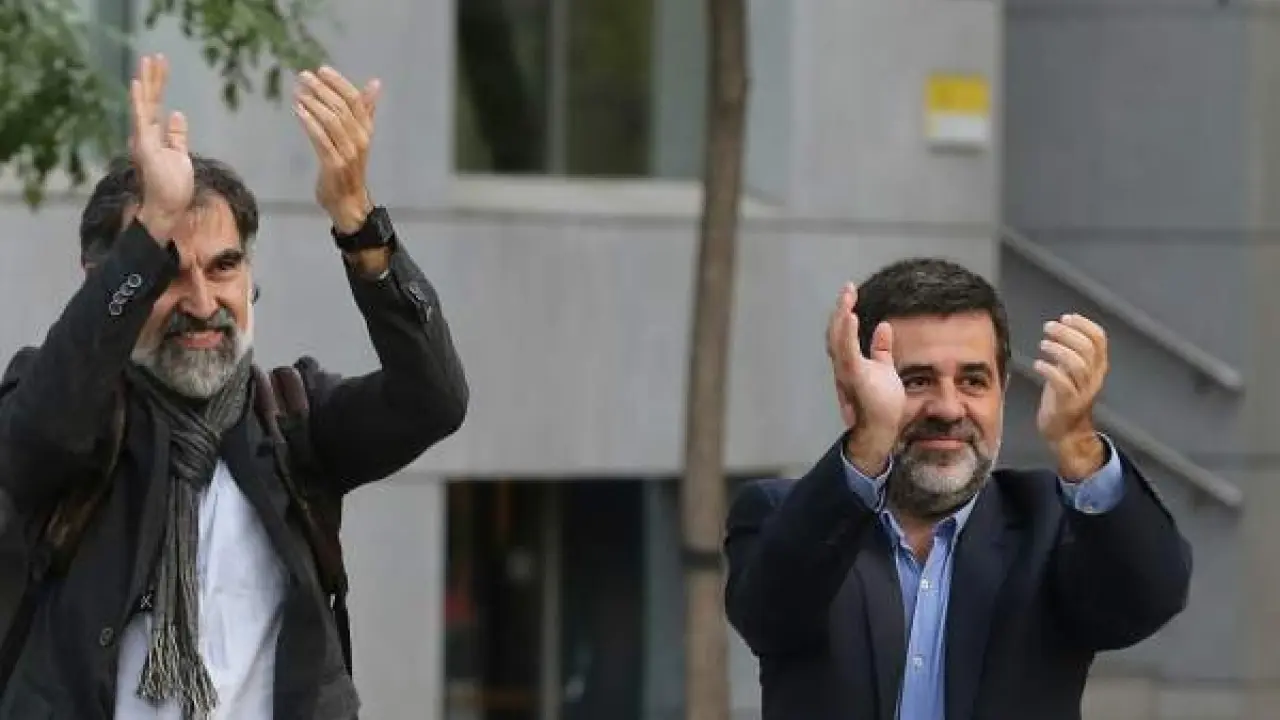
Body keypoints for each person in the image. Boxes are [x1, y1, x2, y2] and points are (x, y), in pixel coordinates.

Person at [0, 53, 468, 719]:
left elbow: (434, 400)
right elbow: (42, 430)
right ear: (106, 280)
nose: (201, 302)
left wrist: (359, 223)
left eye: (223, 267)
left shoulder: (294, 424)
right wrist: (149, 229)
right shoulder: (66, 409)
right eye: (168, 271)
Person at [724, 258, 1191, 720]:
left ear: (1002, 392)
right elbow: (769, 617)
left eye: (973, 381)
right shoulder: (784, 516)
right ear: (851, 395)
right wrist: (869, 441)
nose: (948, 408)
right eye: (917, 381)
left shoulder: (1050, 523)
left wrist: (1078, 445)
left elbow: (1147, 601)